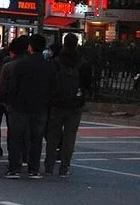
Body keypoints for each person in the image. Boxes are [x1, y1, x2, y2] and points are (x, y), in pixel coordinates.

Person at [5, 34, 56, 179]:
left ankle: (14, 168)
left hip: (20, 106)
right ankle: (34, 169)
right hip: (40, 107)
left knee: (17, 137)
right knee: (36, 138)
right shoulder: (49, 66)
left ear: (30, 47)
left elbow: (13, 86)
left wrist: (11, 102)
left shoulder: (21, 64)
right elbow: (53, 87)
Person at [44, 33, 91, 177]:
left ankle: (49, 166)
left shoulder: (56, 62)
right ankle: (64, 167)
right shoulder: (83, 63)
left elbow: (49, 83)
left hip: (57, 104)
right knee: (70, 137)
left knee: (53, 137)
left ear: (64, 43)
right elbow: (87, 84)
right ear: (77, 44)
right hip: (75, 105)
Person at [0, 36, 30, 160]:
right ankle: (27, 157)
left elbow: (2, 86)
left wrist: (3, 100)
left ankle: (14, 161)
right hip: (30, 103)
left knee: (14, 133)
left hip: (12, 103)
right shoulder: (31, 63)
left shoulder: (8, 65)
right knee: (28, 132)